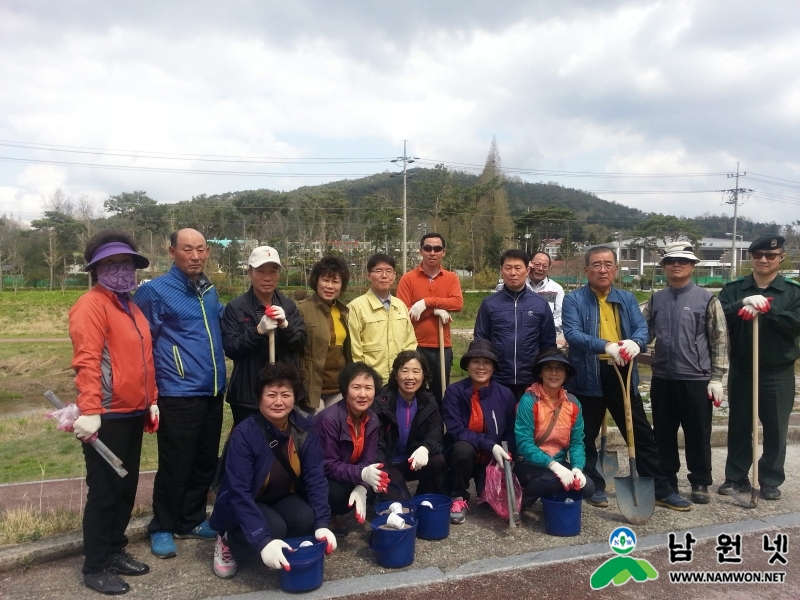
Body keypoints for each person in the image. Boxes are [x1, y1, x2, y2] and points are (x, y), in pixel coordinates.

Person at [561, 245, 692, 511]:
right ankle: (593, 485)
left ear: (616, 269)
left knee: (641, 434)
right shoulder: (574, 300)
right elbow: (573, 333)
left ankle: (659, 488)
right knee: (584, 435)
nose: (602, 269)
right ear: (587, 270)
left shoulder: (627, 298)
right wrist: (604, 345)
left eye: (608, 264)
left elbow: (641, 329)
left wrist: (636, 343)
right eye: (596, 264)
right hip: (588, 373)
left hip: (623, 371)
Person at [69, 230, 157, 594]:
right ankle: (95, 565)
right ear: (97, 269)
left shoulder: (130, 306)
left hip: (132, 411)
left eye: (126, 263)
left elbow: (143, 359)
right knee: (104, 491)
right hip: (105, 415)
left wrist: (151, 399)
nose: (121, 270)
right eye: (112, 264)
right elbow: (87, 361)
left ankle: (115, 549)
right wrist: (89, 410)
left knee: (125, 487)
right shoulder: (90, 306)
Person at [133, 228, 227, 558]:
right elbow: (140, 344)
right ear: (172, 251)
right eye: (188, 249)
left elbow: (221, 323)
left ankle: (191, 519)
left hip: (212, 390)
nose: (195, 256)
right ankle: (162, 526)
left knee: (204, 461)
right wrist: (150, 394)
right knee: (176, 462)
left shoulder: (208, 289)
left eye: (201, 249)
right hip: (178, 392)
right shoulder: (154, 292)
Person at [208, 363, 336, 579]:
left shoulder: (304, 428)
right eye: (271, 395)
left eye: (286, 394)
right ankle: (228, 539)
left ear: (295, 398)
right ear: (259, 399)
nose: (279, 402)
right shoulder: (245, 434)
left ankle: (279, 548)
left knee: (307, 518)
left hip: (282, 495)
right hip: (247, 500)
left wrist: (323, 523)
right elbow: (239, 493)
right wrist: (262, 541)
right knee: (273, 529)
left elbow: (315, 477)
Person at [642, 241, 729, 504]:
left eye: (682, 261)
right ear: (664, 267)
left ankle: (700, 481)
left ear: (692, 266)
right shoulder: (657, 299)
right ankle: (667, 481)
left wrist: (717, 377)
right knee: (663, 433)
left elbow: (720, 340)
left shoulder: (707, 299)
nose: (676, 265)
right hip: (664, 378)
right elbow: (643, 332)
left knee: (698, 433)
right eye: (671, 261)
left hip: (696, 379)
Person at [718, 235, 800, 501]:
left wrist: (768, 310)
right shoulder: (734, 288)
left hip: (778, 372)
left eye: (770, 255)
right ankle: (735, 477)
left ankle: (770, 480)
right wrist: (742, 303)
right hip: (742, 369)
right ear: (750, 258)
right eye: (757, 255)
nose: (764, 260)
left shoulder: (793, 292)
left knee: (776, 428)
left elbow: (795, 324)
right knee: (740, 425)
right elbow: (716, 318)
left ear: (781, 258)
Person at [223, 246, 306, 425]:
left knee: (282, 445)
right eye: (260, 271)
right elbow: (231, 347)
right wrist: (257, 331)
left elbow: (299, 344)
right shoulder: (236, 307)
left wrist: (285, 326)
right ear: (250, 273)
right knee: (249, 445)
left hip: (283, 392)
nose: (267, 277)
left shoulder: (288, 306)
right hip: (248, 394)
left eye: (273, 271)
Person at [442, 339, 516, 524]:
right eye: (475, 361)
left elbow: (510, 429)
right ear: (467, 365)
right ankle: (457, 497)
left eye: (486, 362)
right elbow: (456, 429)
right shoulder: (453, 392)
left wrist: (506, 452)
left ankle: (484, 485)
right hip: (463, 454)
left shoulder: (505, 394)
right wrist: (490, 445)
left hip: (491, 458)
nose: (480, 367)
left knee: (490, 504)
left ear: (493, 367)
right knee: (462, 449)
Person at [513, 349, 595, 506]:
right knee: (553, 480)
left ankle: (551, 494)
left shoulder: (573, 403)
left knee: (588, 487)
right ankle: (521, 503)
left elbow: (577, 442)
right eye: (548, 367)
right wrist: (553, 465)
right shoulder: (528, 400)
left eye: (559, 368)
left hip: (559, 463)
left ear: (566, 374)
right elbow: (524, 444)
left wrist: (577, 468)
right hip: (529, 464)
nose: (553, 373)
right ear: (540, 373)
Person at [314, 362, 388, 534]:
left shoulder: (372, 418)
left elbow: (369, 460)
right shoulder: (329, 420)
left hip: (348, 472)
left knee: (378, 483)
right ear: (345, 389)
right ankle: (326, 516)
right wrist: (361, 475)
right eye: (356, 387)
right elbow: (327, 465)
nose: (363, 394)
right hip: (323, 477)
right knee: (336, 495)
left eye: (368, 388)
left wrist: (362, 485)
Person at [474, 249, 557, 399]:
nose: (513, 273)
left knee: (529, 421)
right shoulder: (489, 304)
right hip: (497, 379)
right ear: (501, 270)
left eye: (518, 268)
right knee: (498, 421)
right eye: (508, 268)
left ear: (527, 270)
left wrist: (543, 375)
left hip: (530, 380)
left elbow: (548, 344)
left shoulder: (540, 304)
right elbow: (481, 342)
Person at [397, 233, 464, 407]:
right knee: (413, 392)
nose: (432, 252)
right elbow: (403, 314)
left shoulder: (451, 278)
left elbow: (457, 303)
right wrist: (434, 311)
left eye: (437, 248)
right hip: (414, 345)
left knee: (440, 393)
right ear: (421, 251)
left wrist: (427, 303)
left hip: (442, 346)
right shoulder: (408, 279)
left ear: (443, 252)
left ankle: (439, 431)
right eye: (428, 248)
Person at [372, 351, 445, 501]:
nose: (410, 377)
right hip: (389, 463)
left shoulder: (428, 401)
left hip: (413, 461)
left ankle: (423, 497)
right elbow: (375, 442)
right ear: (395, 374)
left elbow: (436, 434)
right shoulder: (382, 401)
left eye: (416, 371)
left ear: (423, 375)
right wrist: (381, 469)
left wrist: (425, 448)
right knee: (402, 506)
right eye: (404, 371)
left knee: (437, 461)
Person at [347, 253, 417, 381]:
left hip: (399, 380)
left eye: (389, 271)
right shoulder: (356, 307)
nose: (384, 276)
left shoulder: (400, 306)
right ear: (369, 275)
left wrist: (406, 373)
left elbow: (410, 343)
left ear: (394, 276)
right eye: (378, 271)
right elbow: (354, 350)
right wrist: (362, 379)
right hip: (371, 381)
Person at [296, 256, 352, 413]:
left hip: (338, 389)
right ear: (316, 281)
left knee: (334, 434)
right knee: (315, 434)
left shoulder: (343, 311)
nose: (330, 286)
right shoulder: (302, 309)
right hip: (312, 390)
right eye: (325, 280)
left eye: (335, 281)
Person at [494, 251, 564, 335]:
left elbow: (560, 317)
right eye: (537, 265)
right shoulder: (518, 284)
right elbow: (499, 294)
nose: (540, 269)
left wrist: (538, 332)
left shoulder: (556, 289)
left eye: (545, 266)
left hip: (544, 338)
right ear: (530, 265)